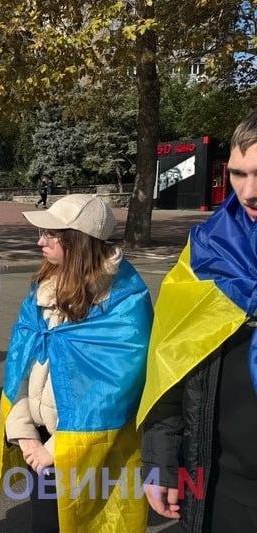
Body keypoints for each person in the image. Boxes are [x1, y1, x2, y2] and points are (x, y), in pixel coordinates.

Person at [0, 195, 153, 532]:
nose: (41, 240)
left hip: (86, 446)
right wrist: (26, 435)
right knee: (46, 522)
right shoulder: (42, 288)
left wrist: (55, 450)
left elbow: (114, 390)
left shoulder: (124, 300)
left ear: (79, 241)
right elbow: (22, 364)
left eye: (51, 234)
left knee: (87, 522)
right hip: (40, 440)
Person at [139, 110, 257, 532]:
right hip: (221, 486)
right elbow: (171, 365)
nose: (249, 192)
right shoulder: (205, 252)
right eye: (238, 174)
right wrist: (161, 461)